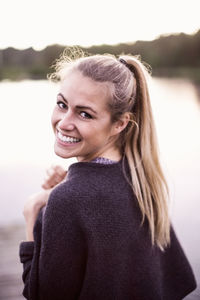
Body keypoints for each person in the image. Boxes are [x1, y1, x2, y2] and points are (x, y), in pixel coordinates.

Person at [19, 50, 197, 300]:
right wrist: (66, 191)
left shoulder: (69, 200)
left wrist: (34, 212)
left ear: (120, 124)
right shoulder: (141, 179)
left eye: (85, 114)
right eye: (62, 104)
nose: (64, 122)